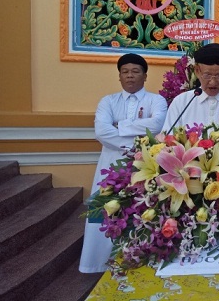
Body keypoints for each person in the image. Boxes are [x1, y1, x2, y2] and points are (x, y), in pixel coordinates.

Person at [79, 53, 168, 273]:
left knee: (141, 211)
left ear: (145, 76)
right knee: (106, 210)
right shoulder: (107, 101)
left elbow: (157, 125)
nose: (130, 76)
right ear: (119, 76)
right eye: (125, 72)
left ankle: (139, 259)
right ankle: (98, 263)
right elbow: (102, 131)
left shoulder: (156, 100)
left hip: (144, 166)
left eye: (135, 71)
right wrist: (138, 140)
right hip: (110, 164)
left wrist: (120, 125)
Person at [162, 43, 219, 148]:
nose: (213, 82)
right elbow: (168, 140)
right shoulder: (181, 102)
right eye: (207, 75)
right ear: (197, 71)